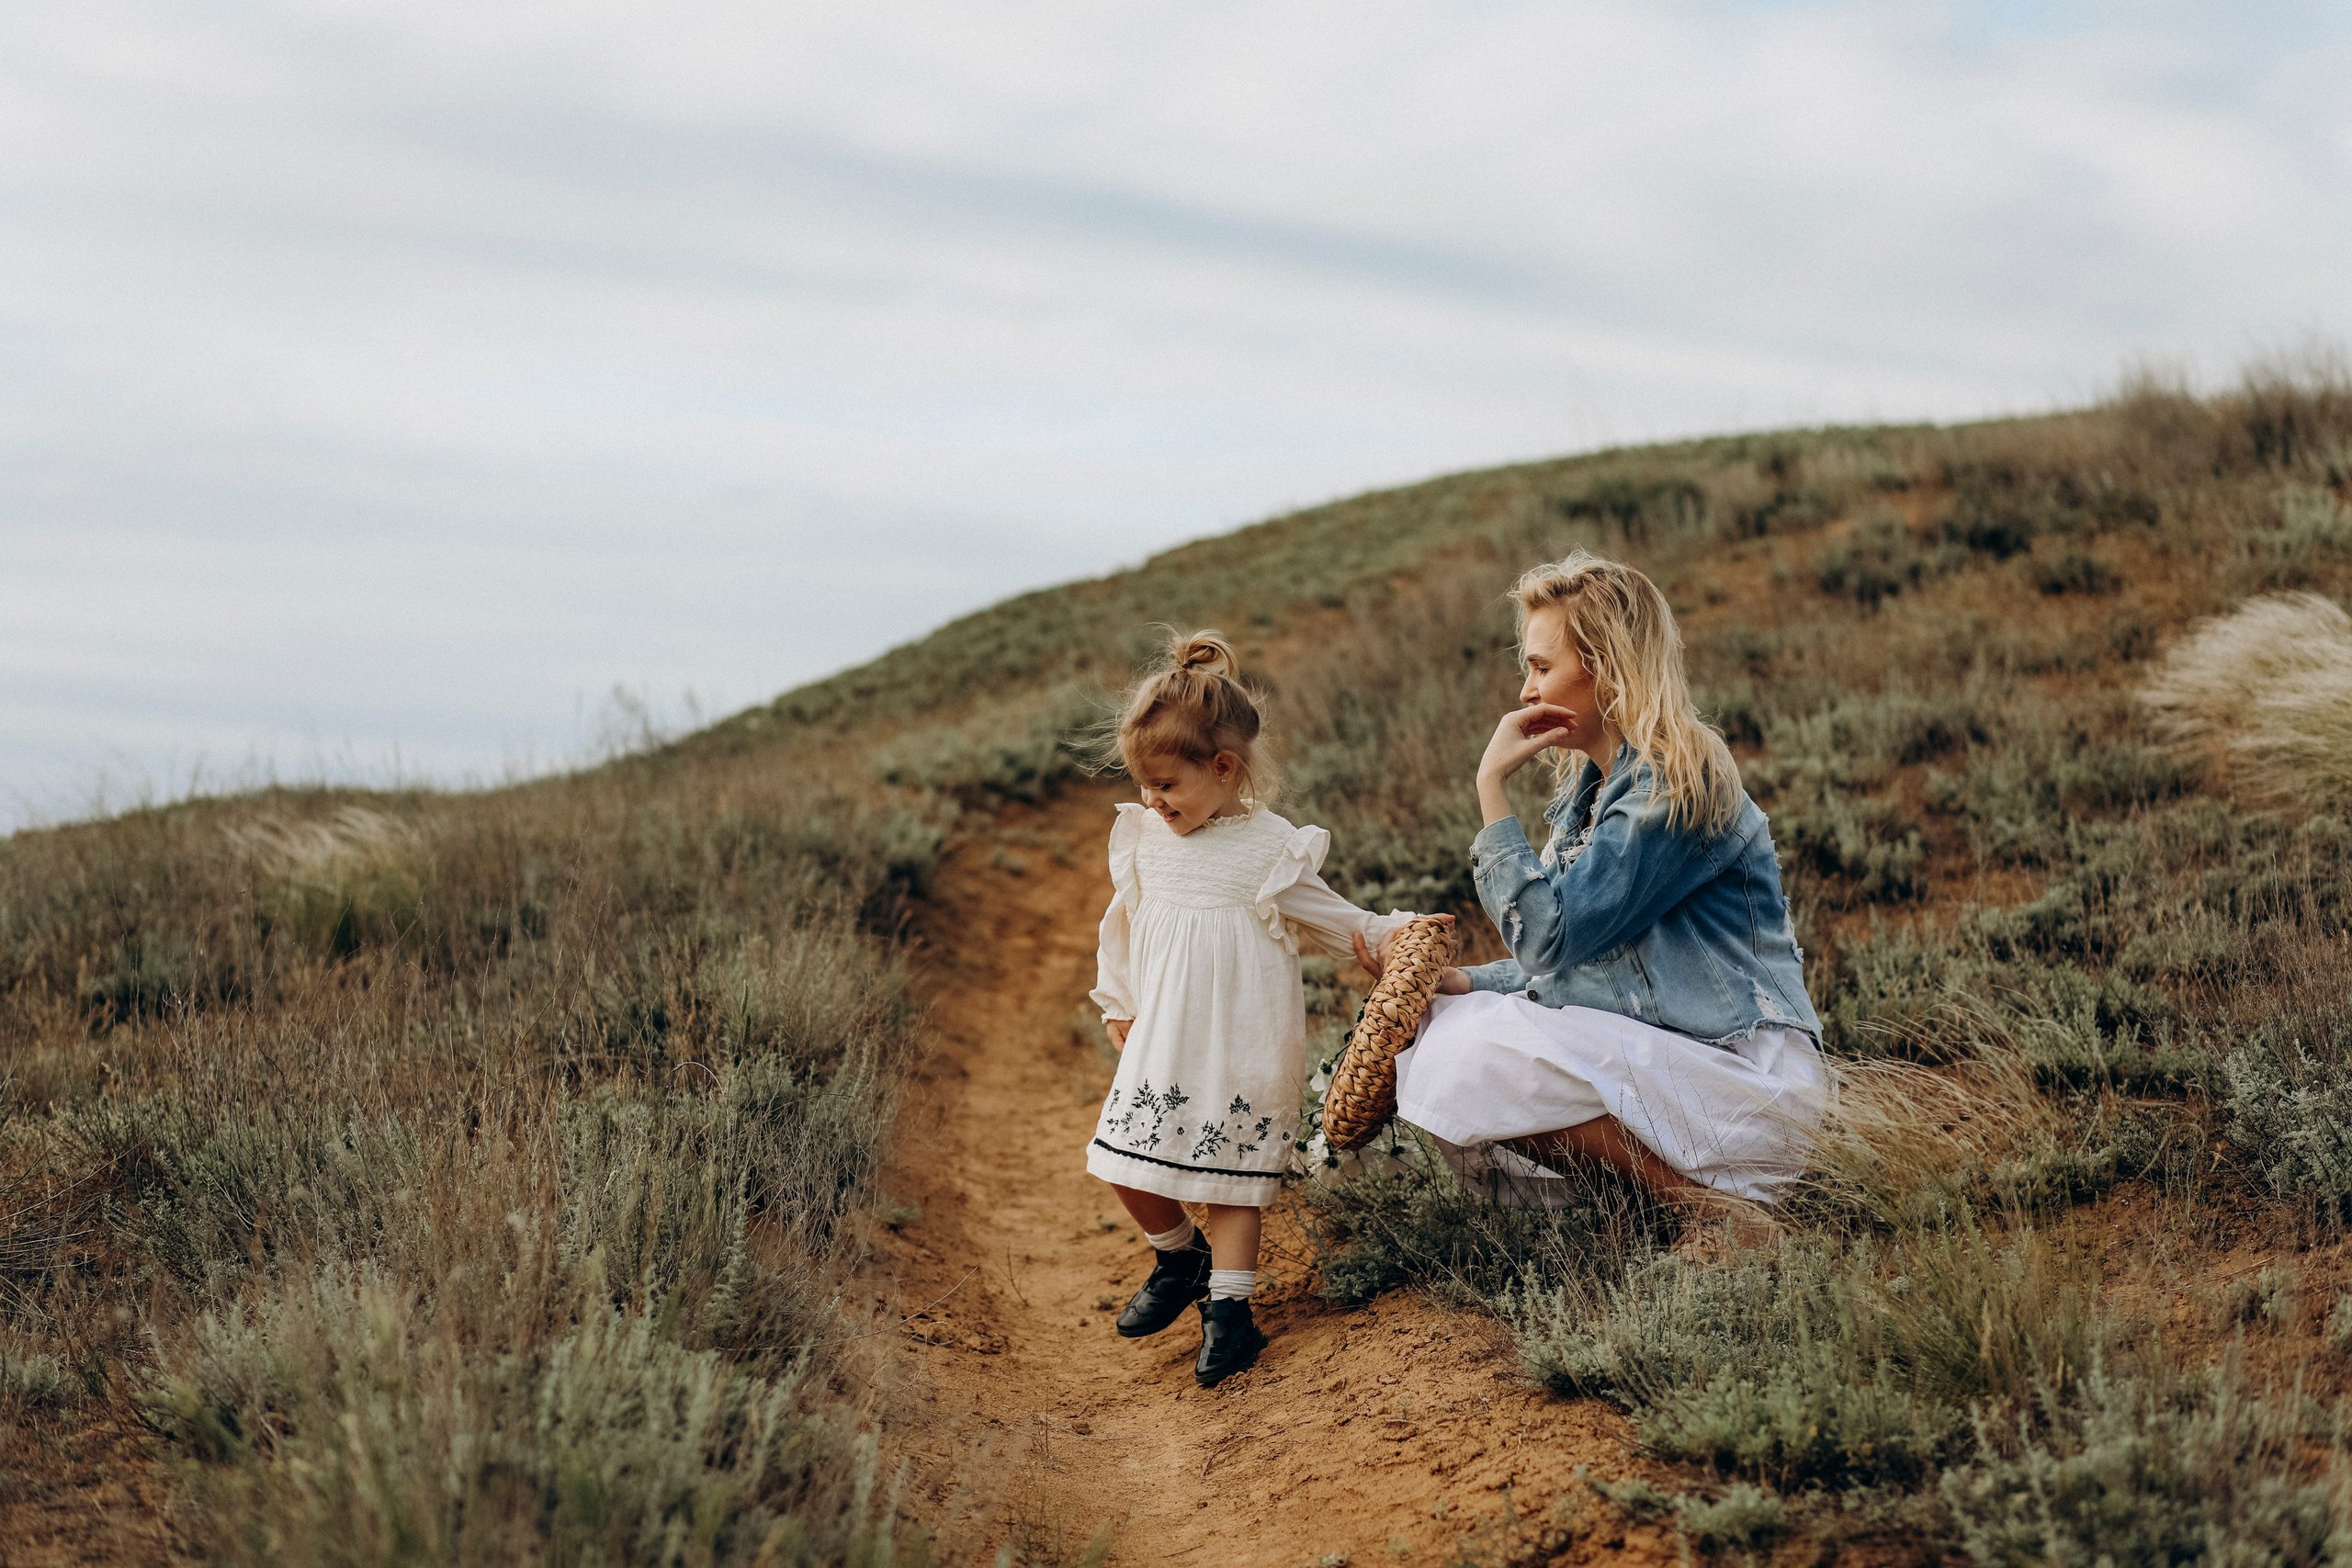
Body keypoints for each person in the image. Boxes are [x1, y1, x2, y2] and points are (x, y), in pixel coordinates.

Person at [1357, 550, 1826, 1249]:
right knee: (1454, 1024)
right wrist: (1462, 980)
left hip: (1746, 1081)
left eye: (1541, 667)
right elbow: (1569, 959)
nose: (1525, 690)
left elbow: (1548, 938)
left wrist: (1491, 789)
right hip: (1679, 1063)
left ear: (1607, 665)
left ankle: (1713, 1210)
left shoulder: (1675, 781)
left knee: (1476, 1050)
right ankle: (1645, 1203)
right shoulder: (1592, 793)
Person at [1089, 631, 1441, 1385]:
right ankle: (1179, 1259)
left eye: (1168, 785)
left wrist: (1392, 934)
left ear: (1223, 768)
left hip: (1241, 1041)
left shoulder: (1267, 849)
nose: (1154, 799)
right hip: (1162, 1035)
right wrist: (1119, 1000)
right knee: (1120, 1160)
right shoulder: (1147, 837)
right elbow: (1122, 923)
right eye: (1145, 784)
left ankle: (1232, 1314)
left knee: (1231, 1180)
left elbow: (1333, 917)